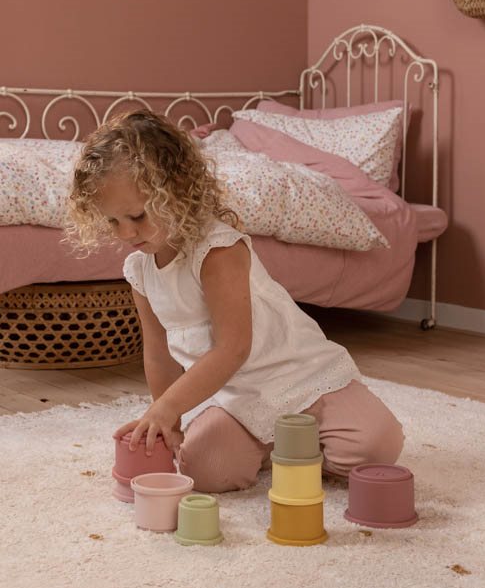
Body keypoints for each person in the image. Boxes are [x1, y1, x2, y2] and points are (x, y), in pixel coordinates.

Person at [67, 109, 404, 493]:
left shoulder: (217, 249)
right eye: (112, 222)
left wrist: (168, 407)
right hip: (236, 398)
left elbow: (233, 348)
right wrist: (169, 424)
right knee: (206, 471)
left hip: (299, 375)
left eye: (138, 216)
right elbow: (158, 354)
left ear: (174, 191)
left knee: (377, 445)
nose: (127, 233)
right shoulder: (140, 272)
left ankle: (295, 440)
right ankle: (273, 442)